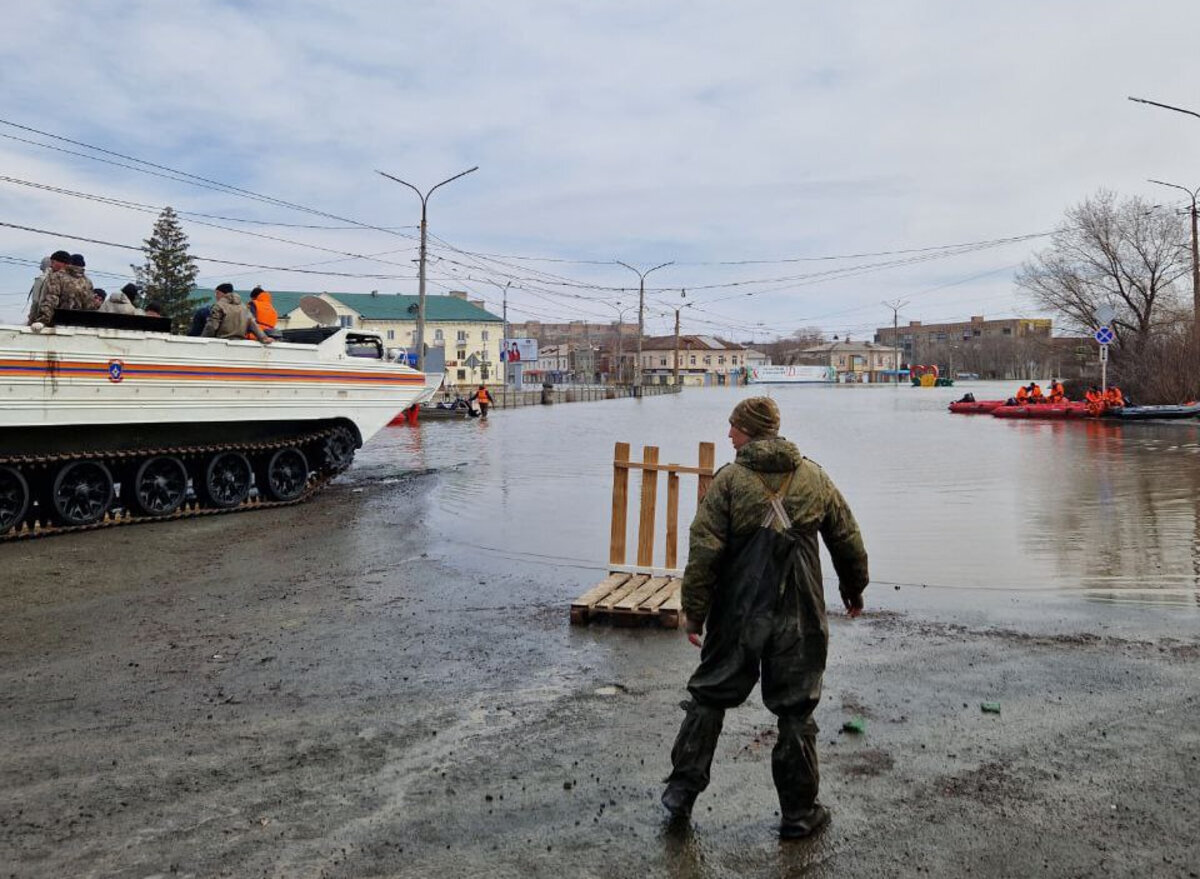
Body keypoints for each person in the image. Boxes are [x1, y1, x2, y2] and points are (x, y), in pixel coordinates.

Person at [661, 397, 869, 840]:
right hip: (801, 613)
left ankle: (680, 794)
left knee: (710, 697)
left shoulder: (730, 482)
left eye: (733, 427)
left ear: (751, 431)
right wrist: (854, 589)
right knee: (795, 709)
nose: (728, 434)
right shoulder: (814, 476)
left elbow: (705, 552)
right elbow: (846, 537)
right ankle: (799, 814)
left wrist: (694, 613)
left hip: (738, 612)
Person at [31, 250, 96, 327]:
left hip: (57, 324)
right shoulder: (87, 281)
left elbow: (51, 300)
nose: (51, 265)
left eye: (53, 262)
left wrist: (42, 321)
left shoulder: (57, 276)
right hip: (79, 326)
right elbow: (90, 306)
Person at [201, 283, 272, 344]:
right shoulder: (244, 307)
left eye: (216, 293)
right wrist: (263, 337)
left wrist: (202, 340)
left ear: (220, 293)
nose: (216, 296)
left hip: (221, 342)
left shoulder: (219, 306)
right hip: (240, 343)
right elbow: (253, 324)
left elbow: (212, 326)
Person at [25, 256, 51, 324]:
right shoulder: (61, 278)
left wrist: (31, 319)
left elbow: (35, 301)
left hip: (41, 319)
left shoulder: (41, 279)